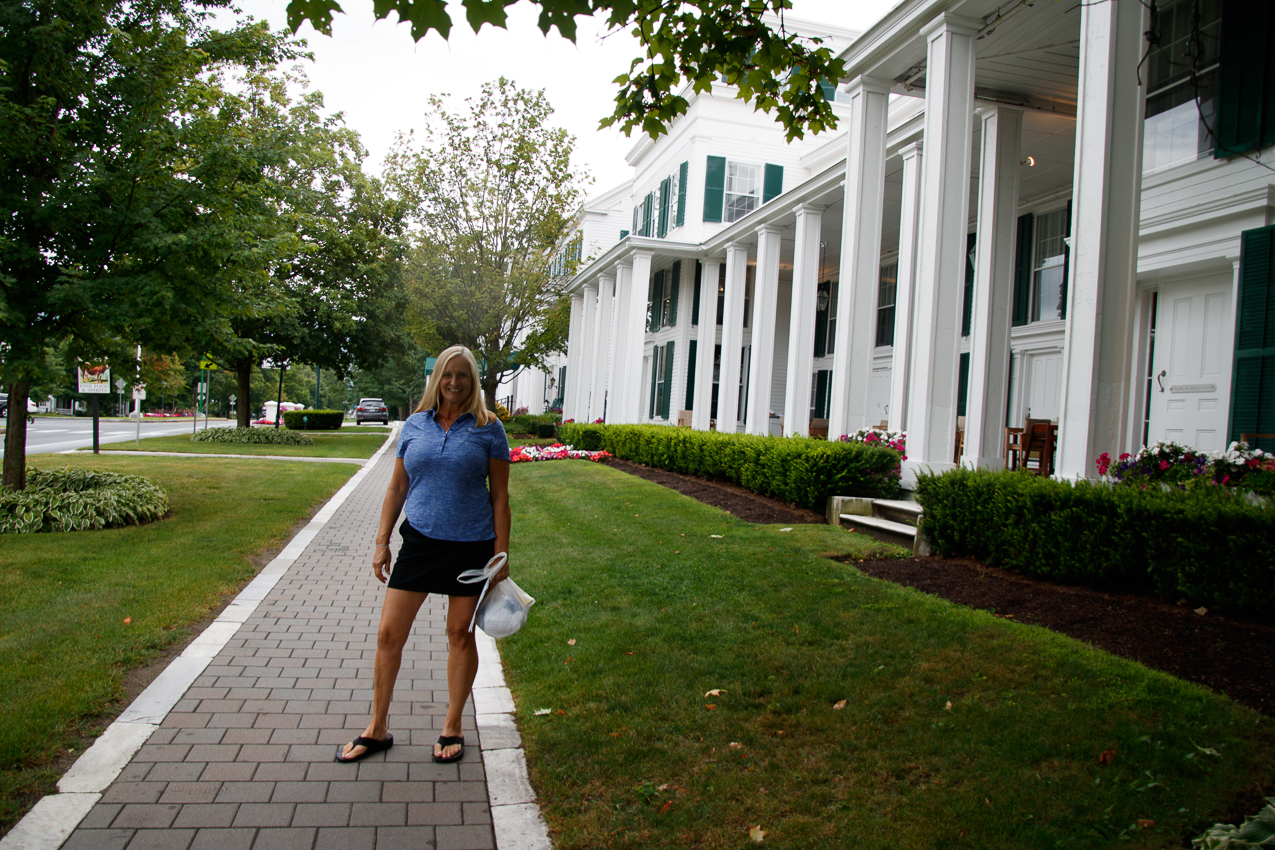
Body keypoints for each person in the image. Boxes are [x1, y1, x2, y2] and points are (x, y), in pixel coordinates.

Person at [337, 345, 511, 765]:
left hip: (470, 546)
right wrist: (382, 541)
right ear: (437, 380)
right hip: (419, 542)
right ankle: (377, 728)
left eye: (463, 376)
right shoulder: (415, 425)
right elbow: (396, 487)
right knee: (388, 635)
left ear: (473, 382)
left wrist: (501, 558)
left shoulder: (489, 428)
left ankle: (452, 725)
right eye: (447, 375)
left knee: (458, 635)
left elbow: (501, 498)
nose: (455, 382)